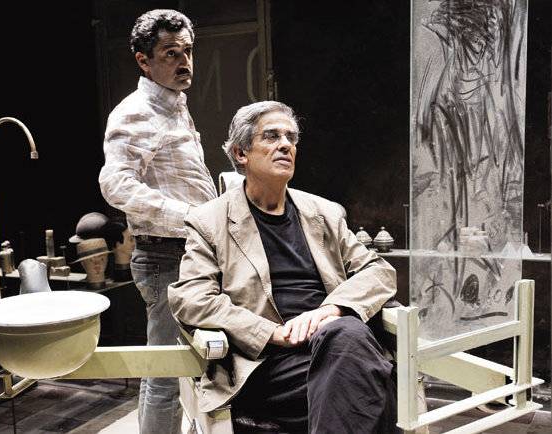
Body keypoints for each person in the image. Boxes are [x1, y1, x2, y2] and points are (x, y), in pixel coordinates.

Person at [169, 101, 399, 433]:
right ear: (241, 153)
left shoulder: (325, 213)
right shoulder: (209, 221)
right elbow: (192, 299)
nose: (286, 145)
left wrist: (330, 311)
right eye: (272, 136)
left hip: (334, 343)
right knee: (369, 375)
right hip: (269, 362)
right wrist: (272, 334)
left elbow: (379, 271)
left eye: (291, 137)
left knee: (346, 338)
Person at [98, 9, 217, 434]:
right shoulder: (136, 111)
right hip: (166, 256)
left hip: (187, 254)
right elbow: (115, 184)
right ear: (143, 60)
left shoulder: (173, 106)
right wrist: (189, 215)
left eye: (188, 51)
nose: (184, 62)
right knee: (166, 372)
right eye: (170, 53)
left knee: (178, 367)